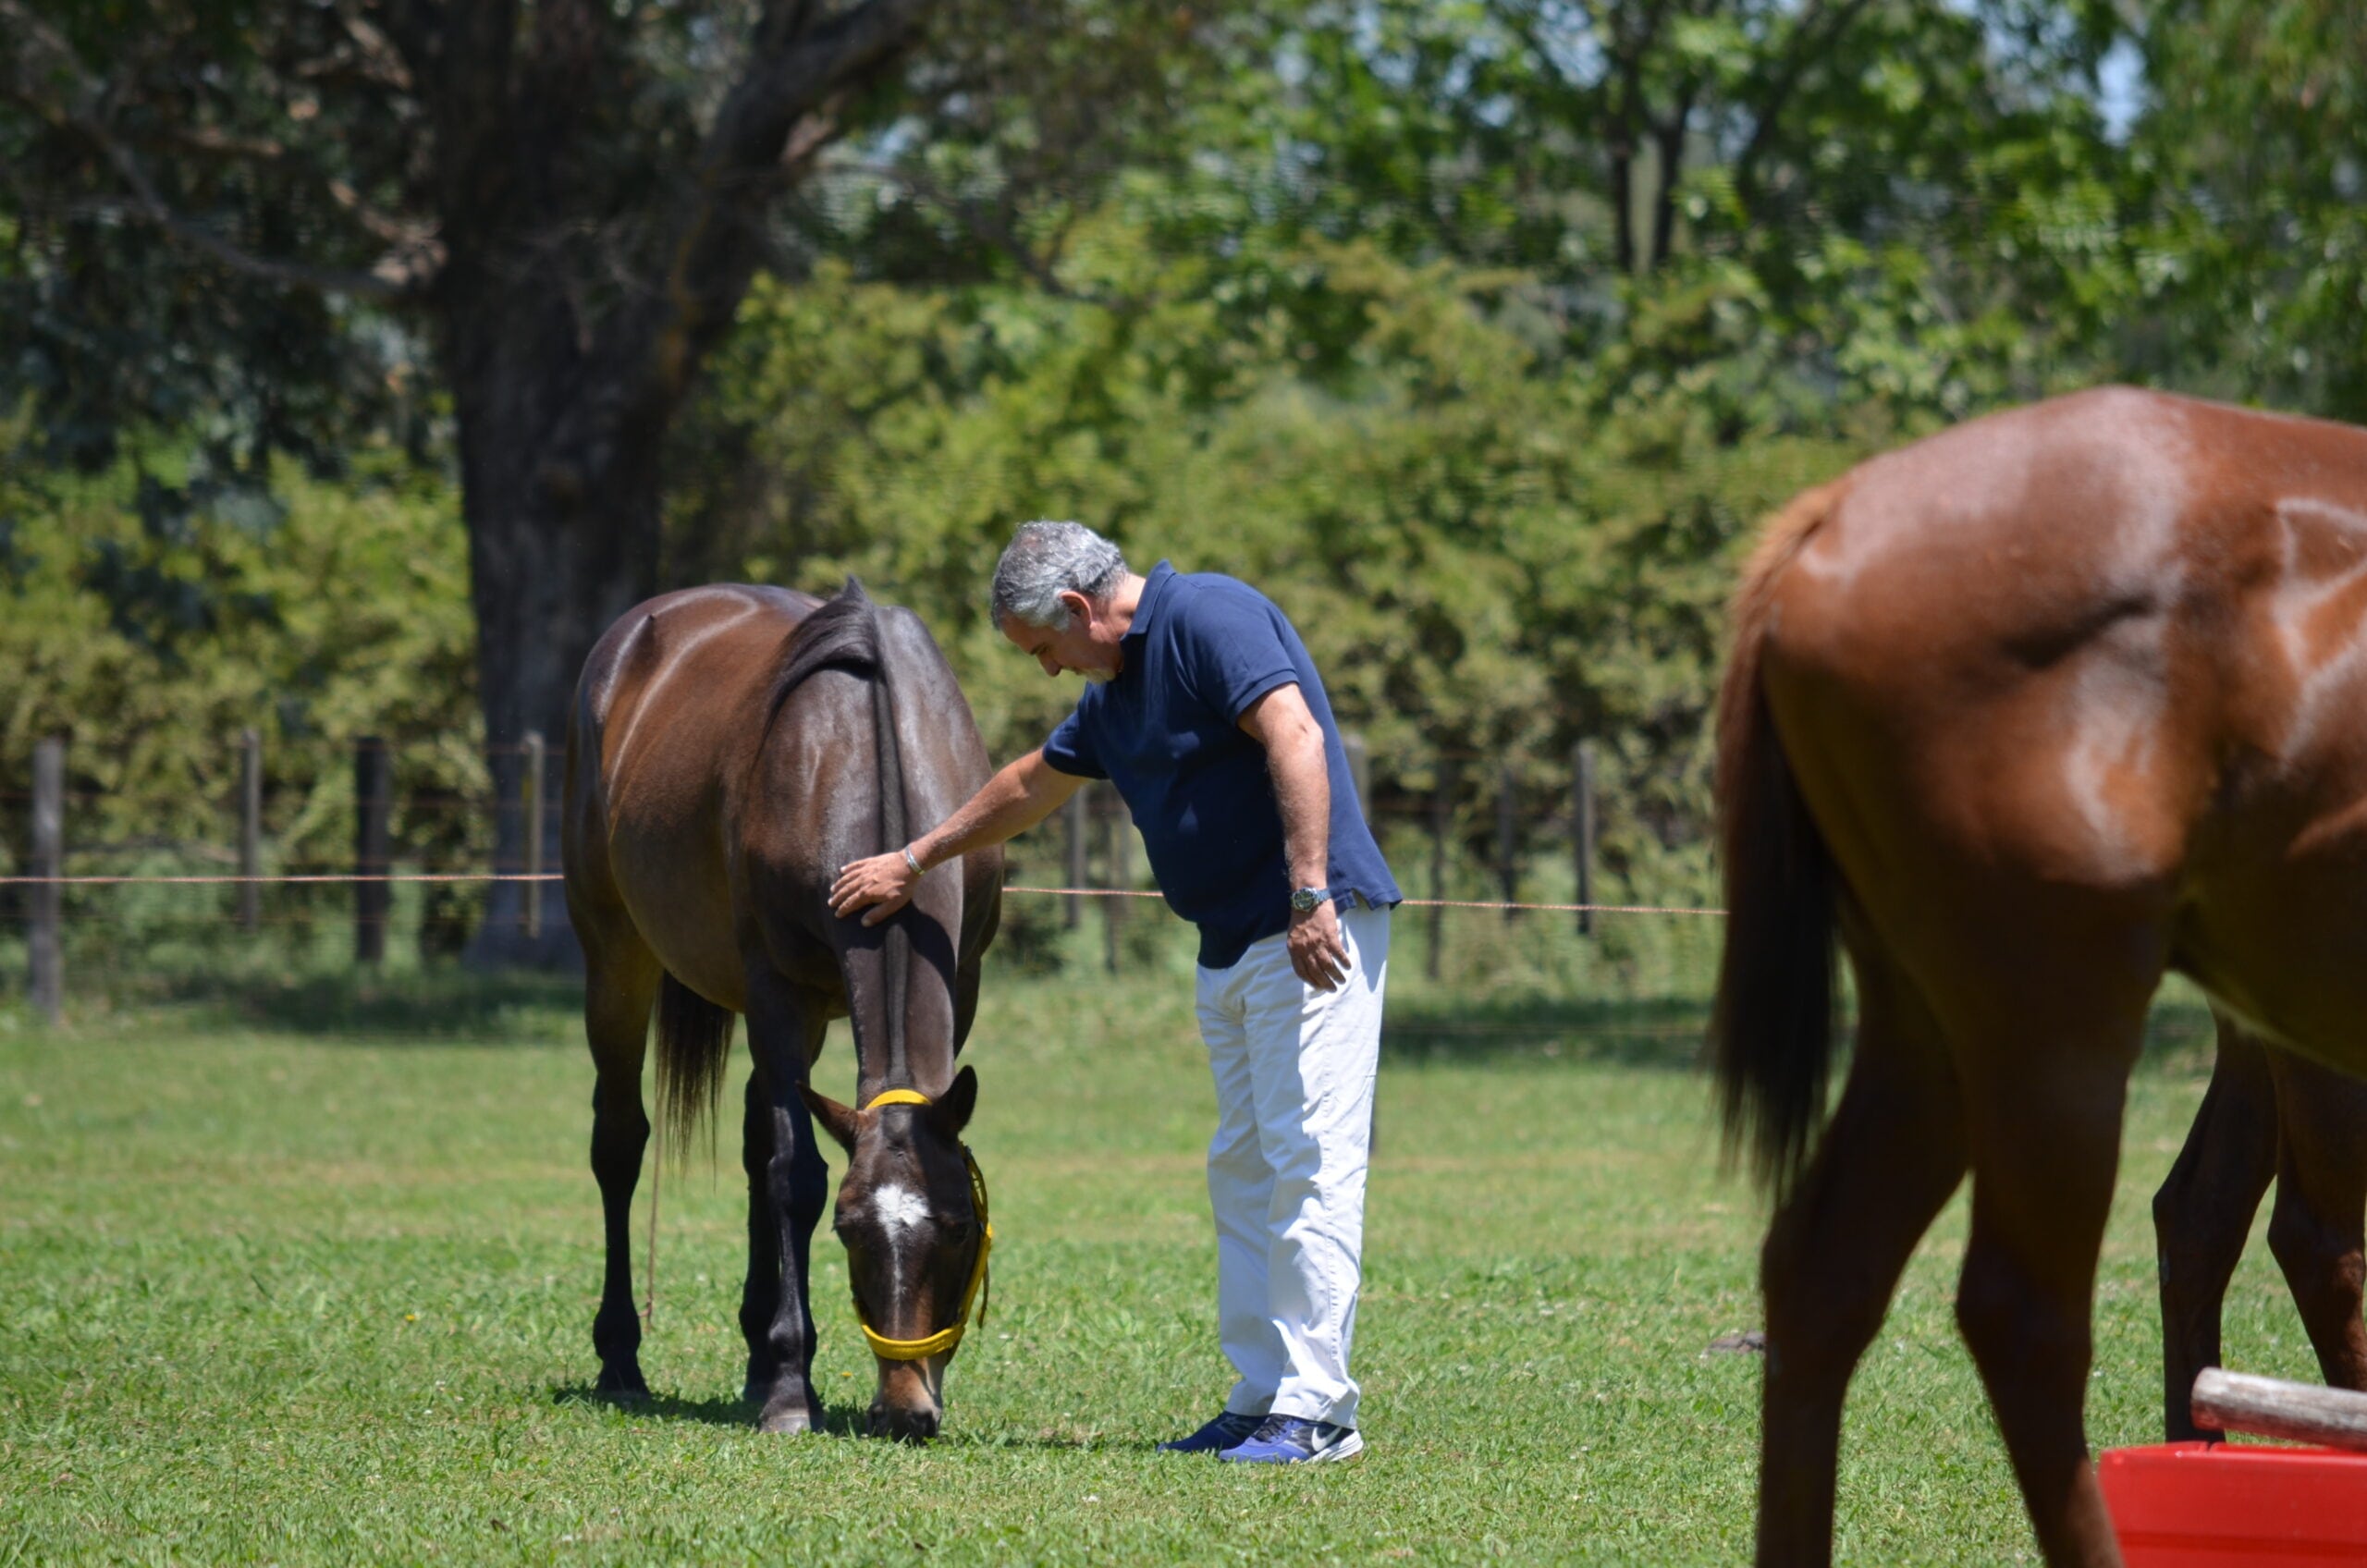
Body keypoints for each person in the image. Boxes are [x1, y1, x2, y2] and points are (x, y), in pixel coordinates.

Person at [829, 521, 1401, 1464]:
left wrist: (1309, 893)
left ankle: (1318, 1413)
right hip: (1230, 942)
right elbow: (1027, 784)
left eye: (1045, 648)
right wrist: (913, 856)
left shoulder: (1210, 617)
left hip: (1312, 931)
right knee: (1245, 1169)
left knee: (1310, 1164)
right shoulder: (1115, 692)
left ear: (1080, 608)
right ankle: (1260, 1395)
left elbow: (1294, 732)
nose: (1049, 670)